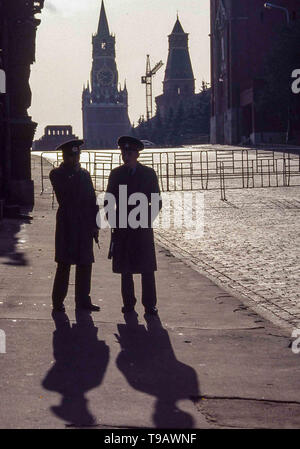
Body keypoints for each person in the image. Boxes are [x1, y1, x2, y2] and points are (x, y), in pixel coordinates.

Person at [105, 136, 162, 317]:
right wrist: (114, 221)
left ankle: (149, 305)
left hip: (142, 227)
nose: (126, 156)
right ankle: (128, 304)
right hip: (123, 227)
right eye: (123, 152)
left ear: (137, 154)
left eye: (129, 152)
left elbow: (157, 200)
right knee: (125, 269)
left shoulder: (148, 174)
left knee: (146, 268)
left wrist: (146, 219)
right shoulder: (116, 174)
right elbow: (109, 200)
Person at [49, 139, 100, 313]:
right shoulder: (57, 174)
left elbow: (92, 200)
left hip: (84, 224)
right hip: (67, 225)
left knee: (85, 263)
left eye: (77, 154)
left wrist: (95, 225)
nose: (75, 158)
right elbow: (65, 196)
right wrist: (75, 173)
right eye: (71, 155)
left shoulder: (84, 174)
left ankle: (83, 300)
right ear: (64, 156)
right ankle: (57, 302)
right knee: (64, 264)